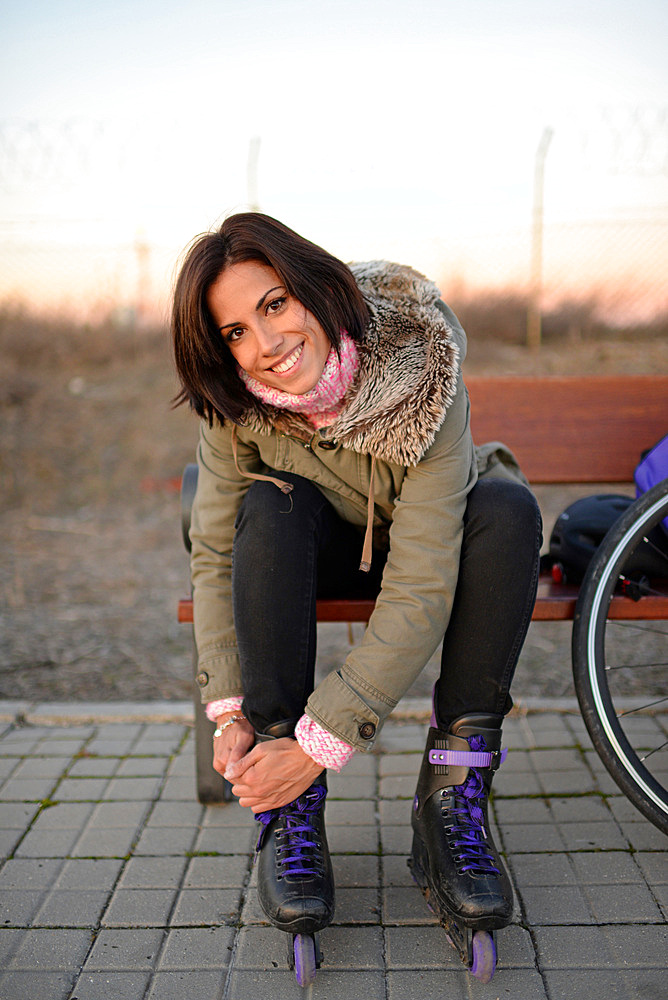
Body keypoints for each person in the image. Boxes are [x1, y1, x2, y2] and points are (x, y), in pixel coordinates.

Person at [171, 212, 541, 980]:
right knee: (267, 508)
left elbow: (424, 578)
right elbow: (212, 552)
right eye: (235, 331)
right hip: (318, 550)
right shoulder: (238, 403)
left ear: (311, 286)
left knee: (507, 513)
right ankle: (288, 810)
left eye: (273, 305)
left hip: (425, 548)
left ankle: (452, 789)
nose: (264, 346)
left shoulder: (421, 370)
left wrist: (321, 745)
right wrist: (234, 709)